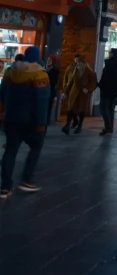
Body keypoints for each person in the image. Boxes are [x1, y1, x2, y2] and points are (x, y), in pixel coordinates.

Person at [0, 46, 50, 198]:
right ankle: (27, 179)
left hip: (11, 119)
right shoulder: (40, 75)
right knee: (36, 146)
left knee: (10, 151)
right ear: (37, 57)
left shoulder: (10, 72)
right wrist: (41, 123)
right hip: (30, 121)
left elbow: (2, 94)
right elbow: (41, 102)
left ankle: (5, 187)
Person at [62, 56, 97, 135]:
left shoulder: (89, 72)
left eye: (79, 62)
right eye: (77, 62)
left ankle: (79, 125)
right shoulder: (75, 71)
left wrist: (88, 89)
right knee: (71, 108)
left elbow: (94, 82)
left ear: (84, 63)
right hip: (74, 92)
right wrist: (66, 92)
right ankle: (67, 124)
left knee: (81, 109)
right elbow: (71, 82)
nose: (78, 64)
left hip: (82, 94)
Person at [98, 48, 117, 136]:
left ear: (113, 54)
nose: (109, 54)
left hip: (107, 89)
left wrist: (101, 85)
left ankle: (108, 126)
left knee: (104, 107)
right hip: (114, 89)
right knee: (110, 108)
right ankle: (110, 126)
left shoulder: (110, 64)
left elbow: (105, 77)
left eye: (110, 52)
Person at [62, 55, 80, 129]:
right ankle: (74, 121)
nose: (76, 60)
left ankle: (69, 123)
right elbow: (65, 77)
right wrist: (65, 87)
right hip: (69, 89)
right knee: (70, 107)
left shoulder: (81, 68)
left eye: (78, 59)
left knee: (72, 107)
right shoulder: (70, 67)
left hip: (76, 90)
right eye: (76, 59)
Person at [45, 55, 60, 125]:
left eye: (50, 60)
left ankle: (47, 120)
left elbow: (53, 81)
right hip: (44, 90)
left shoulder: (55, 70)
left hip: (50, 90)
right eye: (48, 59)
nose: (48, 61)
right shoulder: (44, 68)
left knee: (49, 106)